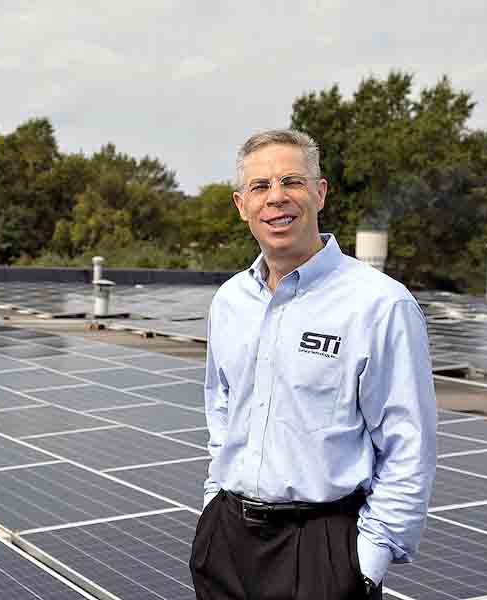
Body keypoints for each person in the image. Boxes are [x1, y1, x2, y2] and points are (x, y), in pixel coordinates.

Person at [189, 129, 436, 600]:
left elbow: (409, 446)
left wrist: (364, 565)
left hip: (321, 549)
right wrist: (213, 509)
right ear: (241, 204)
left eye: (292, 182)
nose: (276, 198)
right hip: (227, 543)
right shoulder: (229, 302)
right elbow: (221, 413)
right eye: (260, 187)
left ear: (319, 193)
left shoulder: (379, 305)